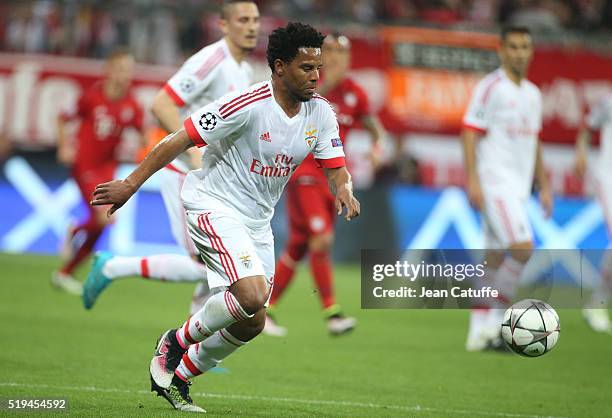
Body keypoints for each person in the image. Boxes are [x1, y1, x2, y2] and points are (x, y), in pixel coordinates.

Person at [91, 22, 360, 413]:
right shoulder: (247, 104)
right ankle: (175, 341)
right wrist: (131, 184)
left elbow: (335, 165)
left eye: (318, 68)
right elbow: (179, 137)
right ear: (280, 67)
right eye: (306, 68)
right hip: (213, 204)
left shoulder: (320, 114)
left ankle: (180, 378)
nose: (316, 77)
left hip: (257, 221)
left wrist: (344, 188)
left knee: (252, 321)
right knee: (249, 294)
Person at [82, 0, 260, 314]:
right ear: (223, 25)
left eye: (255, 20)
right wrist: (191, 151)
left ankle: (193, 342)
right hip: (184, 172)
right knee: (206, 264)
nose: (251, 26)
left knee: (219, 261)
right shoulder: (211, 60)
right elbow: (162, 103)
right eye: (243, 19)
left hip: (215, 177)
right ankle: (113, 267)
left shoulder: (243, 69)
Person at [264, 32, 386, 337]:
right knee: (321, 239)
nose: (336, 60)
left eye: (342, 55)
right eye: (330, 54)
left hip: (330, 178)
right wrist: (326, 81)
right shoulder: (309, 85)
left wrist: (376, 149)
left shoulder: (355, 93)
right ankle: (332, 312)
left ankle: (265, 309)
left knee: (298, 245)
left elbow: (375, 128)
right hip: (303, 171)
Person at [462, 26, 553, 352]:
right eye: (512, 46)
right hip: (494, 183)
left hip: (519, 188)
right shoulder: (491, 87)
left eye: (524, 46)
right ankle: (499, 323)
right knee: (522, 248)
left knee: (494, 259)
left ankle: (477, 332)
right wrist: (473, 178)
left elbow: (535, 140)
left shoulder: (533, 94)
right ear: (502, 50)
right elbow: (470, 131)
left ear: (531, 51)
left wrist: (544, 186)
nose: (519, 52)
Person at [53, 47, 145, 295]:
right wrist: (64, 146)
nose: (124, 75)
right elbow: (64, 117)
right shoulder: (92, 97)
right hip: (85, 165)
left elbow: (143, 133)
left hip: (108, 169)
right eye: (119, 69)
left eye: (128, 70)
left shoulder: (133, 105)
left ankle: (64, 272)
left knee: (102, 223)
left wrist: (145, 151)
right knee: (104, 218)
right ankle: (74, 233)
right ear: (108, 70)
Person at [574, 93, 612, 333]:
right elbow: (587, 126)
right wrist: (581, 152)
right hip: (608, 177)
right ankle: (597, 304)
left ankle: (596, 303)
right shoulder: (608, 101)